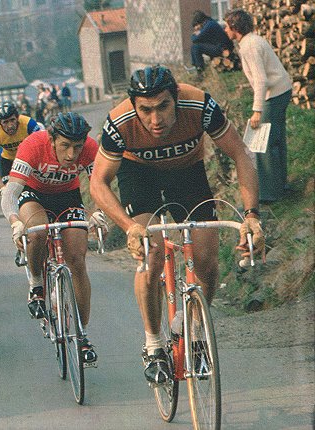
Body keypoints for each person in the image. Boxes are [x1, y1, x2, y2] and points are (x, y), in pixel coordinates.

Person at [90, 66, 265, 385]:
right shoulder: (119, 121)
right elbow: (98, 183)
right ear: (134, 107)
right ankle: (153, 344)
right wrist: (129, 227)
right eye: (145, 110)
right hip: (139, 176)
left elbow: (241, 153)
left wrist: (251, 214)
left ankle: (195, 331)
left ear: (177, 98)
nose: (155, 119)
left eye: (163, 107)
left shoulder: (199, 104)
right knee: (151, 254)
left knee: (206, 258)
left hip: (186, 172)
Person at [1, 112, 108, 364]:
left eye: (77, 147)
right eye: (65, 145)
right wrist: (15, 222)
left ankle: (81, 335)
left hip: (68, 197)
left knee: (77, 261)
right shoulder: (33, 145)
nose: (71, 154)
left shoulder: (90, 148)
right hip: (34, 195)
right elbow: (11, 193)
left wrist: (99, 212)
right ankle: (36, 284)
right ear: (51, 139)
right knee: (38, 231)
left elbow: (100, 186)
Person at [224, 8, 293, 204]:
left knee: (264, 144)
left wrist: (257, 111)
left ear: (235, 27)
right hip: (281, 90)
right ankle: (280, 186)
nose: (225, 30)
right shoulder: (252, 40)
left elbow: (261, 79)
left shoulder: (249, 46)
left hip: (274, 95)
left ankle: (269, 194)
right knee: (276, 140)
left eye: (227, 26)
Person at [0, 101, 41, 193]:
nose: (10, 125)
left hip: (29, 159)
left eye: (12, 120)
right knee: (9, 191)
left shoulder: (29, 123)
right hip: (8, 161)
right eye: (5, 122)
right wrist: (1, 186)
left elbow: (41, 150)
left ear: (17, 118)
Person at [190, 10, 234, 78]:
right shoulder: (209, 23)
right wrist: (197, 34)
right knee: (194, 46)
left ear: (200, 22)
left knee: (196, 47)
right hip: (218, 47)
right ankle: (197, 67)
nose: (197, 28)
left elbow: (195, 39)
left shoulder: (209, 25)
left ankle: (200, 70)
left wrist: (196, 34)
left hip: (222, 49)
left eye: (197, 25)